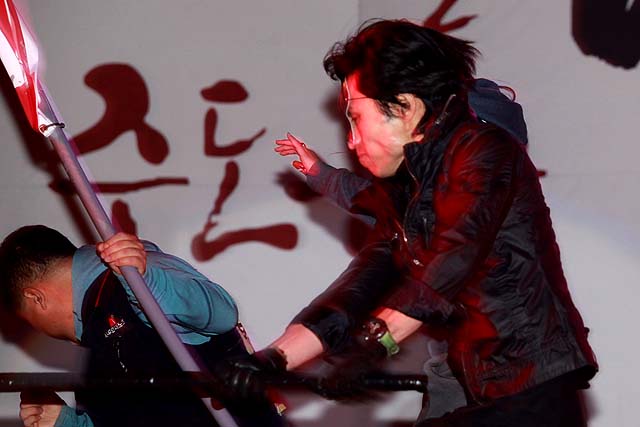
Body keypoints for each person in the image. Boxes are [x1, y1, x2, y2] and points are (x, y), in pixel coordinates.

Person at [221, 19, 598, 426]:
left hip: (533, 391)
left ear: (404, 107)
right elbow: (360, 287)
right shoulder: (409, 193)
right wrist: (273, 359)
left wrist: (371, 345)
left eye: (355, 117)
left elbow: (447, 264)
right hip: (486, 388)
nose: (351, 140)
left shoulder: (484, 152)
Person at [0, 226, 286, 427]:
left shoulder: (134, 276)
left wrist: (147, 282)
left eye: (29, 321)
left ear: (36, 298)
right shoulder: (98, 331)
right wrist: (68, 423)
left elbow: (221, 313)